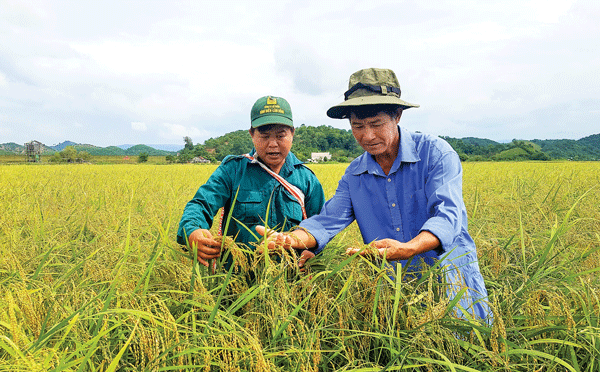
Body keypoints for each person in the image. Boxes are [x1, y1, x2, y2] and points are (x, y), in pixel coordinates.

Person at [257, 68, 490, 322]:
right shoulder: (355, 174)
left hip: (452, 285)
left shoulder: (436, 154)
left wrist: (409, 248)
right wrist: (292, 239)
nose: (367, 136)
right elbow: (327, 221)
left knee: (466, 350)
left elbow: (448, 215)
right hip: (395, 292)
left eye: (376, 124)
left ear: (397, 116)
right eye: (357, 126)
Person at [177, 95, 325, 269]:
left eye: (280, 135)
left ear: (292, 133)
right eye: (264, 136)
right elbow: (200, 205)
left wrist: (314, 252)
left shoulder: (306, 179)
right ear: (252, 134)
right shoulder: (233, 170)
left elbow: (321, 226)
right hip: (235, 280)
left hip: (289, 280)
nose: (272, 144)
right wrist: (193, 231)